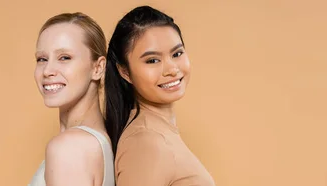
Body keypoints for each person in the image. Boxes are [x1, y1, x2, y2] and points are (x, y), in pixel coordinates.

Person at [104, 6, 215, 186]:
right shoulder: (145, 142)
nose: (172, 69)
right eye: (153, 60)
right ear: (124, 71)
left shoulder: (158, 133)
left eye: (177, 53)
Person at [29, 12, 114, 186]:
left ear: (98, 68)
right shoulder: (99, 140)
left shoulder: (69, 148)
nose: (47, 70)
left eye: (64, 58)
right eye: (42, 59)